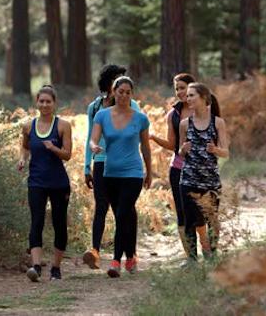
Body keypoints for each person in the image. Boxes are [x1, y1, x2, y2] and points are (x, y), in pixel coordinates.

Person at [90, 76, 152, 278]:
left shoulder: (140, 118)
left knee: (123, 213)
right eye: (120, 91)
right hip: (110, 173)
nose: (124, 95)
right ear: (113, 92)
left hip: (133, 173)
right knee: (122, 216)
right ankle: (131, 256)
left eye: (128, 92)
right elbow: (93, 139)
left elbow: (145, 147)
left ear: (131, 95)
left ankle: (116, 262)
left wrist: (149, 172)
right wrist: (94, 147)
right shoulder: (102, 115)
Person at [83, 65, 141, 270]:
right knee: (101, 206)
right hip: (100, 163)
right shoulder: (96, 107)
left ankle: (129, 255)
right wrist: (86, 167)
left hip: (124, 166)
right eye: (117, 82)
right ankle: (94, 252)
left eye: (125, 83)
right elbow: (90, 137)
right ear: (109, 84)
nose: (121, 86)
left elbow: (138, 135)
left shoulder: (133, 106)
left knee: (123, 211)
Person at [150, 73, 211, 258]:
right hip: (177, 169)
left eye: (183, 87)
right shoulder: (173, 114)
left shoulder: (204, 111)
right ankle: (190, 257)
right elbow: (172, 145)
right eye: (177, 88)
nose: (180, 92)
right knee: (183, 214)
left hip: (200, 169)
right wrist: (153, 137)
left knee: (199, 211)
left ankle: (206, 249)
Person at [17, 85, 72, 282]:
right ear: (37, 102)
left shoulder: (63, 125)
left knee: (59, 224)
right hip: (36, 182)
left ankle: (56, 268)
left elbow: (68, 155)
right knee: (36, 222)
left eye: (49, 101)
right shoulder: (28, 126)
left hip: (59, 183)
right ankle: (36, 267)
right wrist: (23, 159)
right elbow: (24, 147)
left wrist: (53, 148)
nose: (45, 104)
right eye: (42, 101)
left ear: (54, 103)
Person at [178, 82, 229, 262]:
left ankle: (212, 256)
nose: (188, 98)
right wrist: (183, 150)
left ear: (204, 98)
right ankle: (192, 259)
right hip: (188, 179)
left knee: (212, 219)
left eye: (192, 95)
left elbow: (226, 152)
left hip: (210, 181)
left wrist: (216, 150)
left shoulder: (217, 122)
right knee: (190, 220)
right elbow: (179, 152)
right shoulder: (185, 124)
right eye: (188, 95)